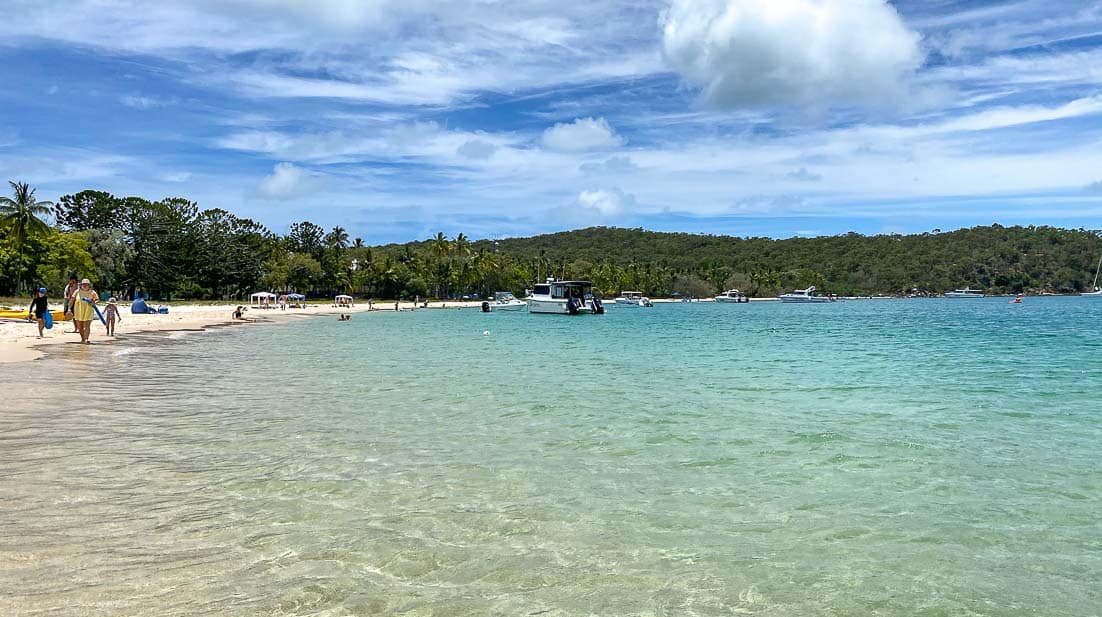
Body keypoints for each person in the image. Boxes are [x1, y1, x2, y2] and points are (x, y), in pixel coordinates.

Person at [71, 278, 99, 344]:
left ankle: (86, 339)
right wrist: (69, 309)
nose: (85, 285)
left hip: (88, 310)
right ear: (81, 285)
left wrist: (94, 302)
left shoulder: (92, 292)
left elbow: (97, 299)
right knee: (80, 326)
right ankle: (82, 339)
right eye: (83, 284)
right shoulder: (77, 291)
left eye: (87, 284)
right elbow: (72, 300)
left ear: (89, 285)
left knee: (87, 325)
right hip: (78, 311)